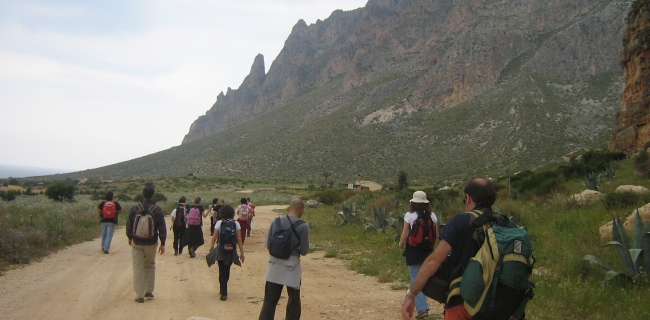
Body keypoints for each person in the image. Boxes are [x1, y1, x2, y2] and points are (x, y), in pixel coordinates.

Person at [401, 177, 499, 320]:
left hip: (463, 303)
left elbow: (433, 262)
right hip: (501, 304)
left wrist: (411, 295)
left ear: (468, 198)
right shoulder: (505, 223)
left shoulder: (460, 221)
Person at [258, 198, 310, 320]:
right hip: (292, 267)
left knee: (270, 300)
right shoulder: (303, 226)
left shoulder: (276, 222)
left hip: (274, 265)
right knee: (293, 300)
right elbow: (304, 251)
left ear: (288, 208)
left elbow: (268, 245)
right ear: (301, 210)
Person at [399, 191, 437, 319]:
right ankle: (406, 304)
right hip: (427, 251)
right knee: (418, 277)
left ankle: (422, 308)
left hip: (413, 250)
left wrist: (401, 243)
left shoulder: (410, 215)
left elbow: (405, 233)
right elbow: (436, 234)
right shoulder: (432, 216)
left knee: (415, 278)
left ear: (413, 203)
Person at [126, 186, 166, 303]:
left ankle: (139, 295)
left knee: (138, 267)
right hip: (151, 242)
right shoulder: (157, 209)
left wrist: (130, 237)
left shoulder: (135, 208)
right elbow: (162, 227)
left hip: (137, 242)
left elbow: (129, 224)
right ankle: (149, 290)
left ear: (143, 194)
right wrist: (163, 243)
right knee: (150, 264)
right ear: (153, 195)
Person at [209, 205, 245, 301]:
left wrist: (212, 247)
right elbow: (239, 239)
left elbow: (214, 237)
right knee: (227, 269)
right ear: (232, 213)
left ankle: (223, 291)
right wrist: (242, 252)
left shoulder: (219, 223)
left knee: (221, 270)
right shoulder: (236, 224)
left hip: (221, 250)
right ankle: (224, 290)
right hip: (231, 250)